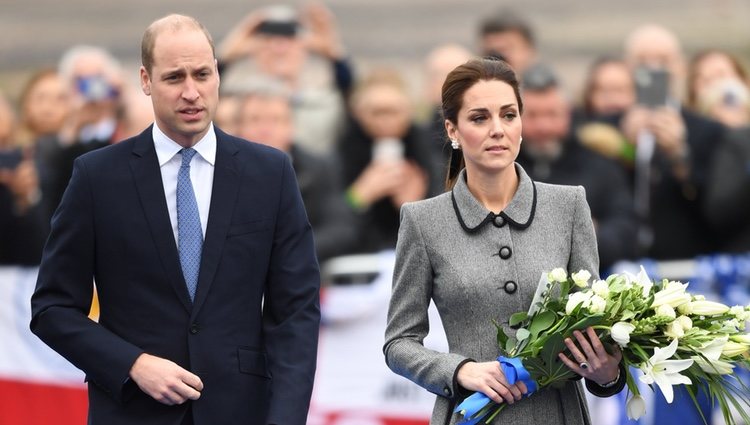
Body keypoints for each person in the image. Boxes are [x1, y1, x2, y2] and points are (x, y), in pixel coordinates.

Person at [30, 14, 320, 425]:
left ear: (218, 73)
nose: (191, 92)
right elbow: (52, 308)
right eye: (174, 77)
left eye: (202, 74)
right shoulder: (97, 177)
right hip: (132, 411)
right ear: (146, 81)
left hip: (241, 410)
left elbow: (296, 312)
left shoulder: (270, 173)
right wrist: (132, 363)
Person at [383, 58, 624, 425]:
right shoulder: (423, 221)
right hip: (471, 415)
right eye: (480, 118)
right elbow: (399, 342)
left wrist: (607, 373)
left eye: (508, 115)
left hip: (558, 415)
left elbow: (592, 325)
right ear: (453, 130)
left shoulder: (569, 205)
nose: (498, 129)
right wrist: (460, 370)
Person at [517, 64, 636, 271]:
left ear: (568, 114)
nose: (543, 126)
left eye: (552, 114)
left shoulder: (600, 165)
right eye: (533, 116)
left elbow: (626, 228)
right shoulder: (499, 168)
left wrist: (589, 234)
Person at [235, 82, 357, 262]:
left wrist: (289, 251)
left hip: (301, 272)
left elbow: (341, 228)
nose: (265, 129)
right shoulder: (222, 170)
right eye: (255, 120)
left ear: (291, 126)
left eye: (275, 120)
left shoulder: (320, 168)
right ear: (238, 128)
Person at [217, 2, 351, 154]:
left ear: (305, 49)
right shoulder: (235, 98)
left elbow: (351, 93)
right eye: (268, 42)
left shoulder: (323, 100)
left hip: (310, 175)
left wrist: (333, 52)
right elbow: (207, 89)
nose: (278, 49)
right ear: (253, 50)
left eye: (289, 42)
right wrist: (226, 54)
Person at [338, 69, 439, 254]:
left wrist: (414, 206)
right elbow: (326, 220)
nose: (385, 121)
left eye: (393, 112)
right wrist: (358, 196)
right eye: (376, 112)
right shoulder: (343, 150)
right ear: (358, 113)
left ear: (409, 111)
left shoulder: (427, 149)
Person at [477, 10, 537, 75]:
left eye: (506, 48)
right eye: (491, 52)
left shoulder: (545, 84)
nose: (498, 57)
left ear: (528, 50)